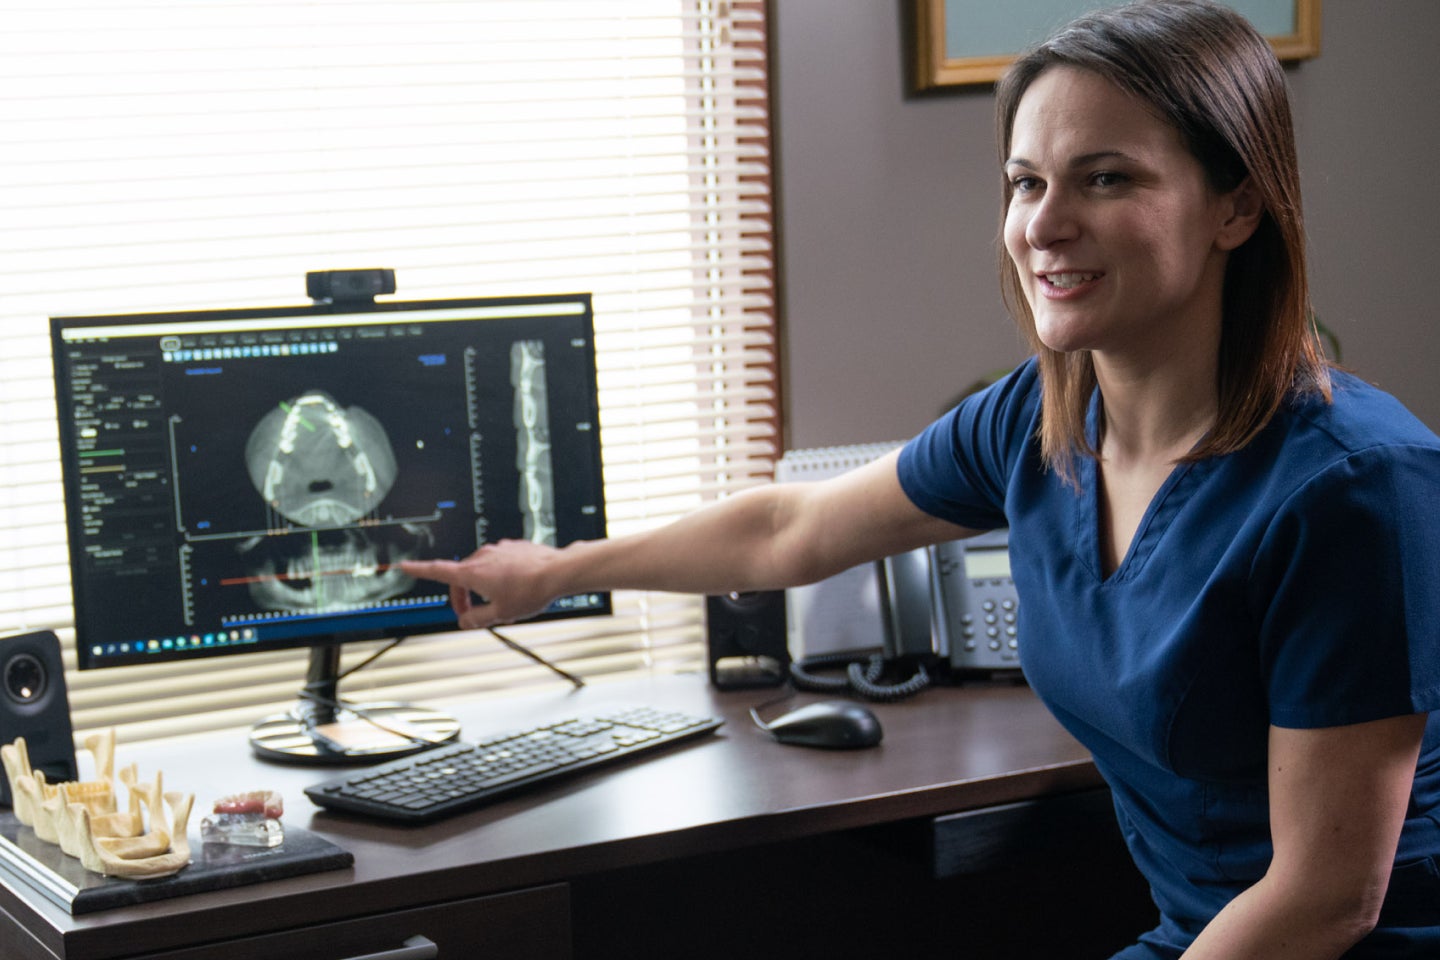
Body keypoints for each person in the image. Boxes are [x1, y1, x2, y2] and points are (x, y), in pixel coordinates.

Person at [402, 1, 1440, 956]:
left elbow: (1325, 894)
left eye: (1107, 177)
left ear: (1237, 208)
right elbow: (788, 532)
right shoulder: (1040, 423)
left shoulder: (1352, 489)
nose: (1043, 223)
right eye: (1027, 182)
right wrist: (557, 571)